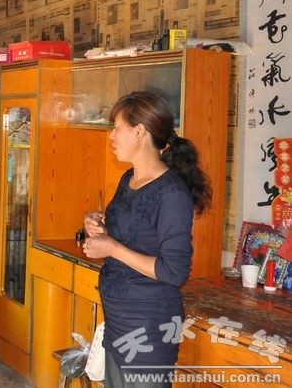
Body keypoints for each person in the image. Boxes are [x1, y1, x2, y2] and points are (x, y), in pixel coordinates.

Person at [82, 91, 212, 387]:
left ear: (139, 132)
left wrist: (112, 248)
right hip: (118, 323)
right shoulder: (127, 179)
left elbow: (174, 271)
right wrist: (99, 227)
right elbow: (131, 236)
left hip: (148, 327)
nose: (111, 136)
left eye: (117, 128)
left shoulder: (172, 193)